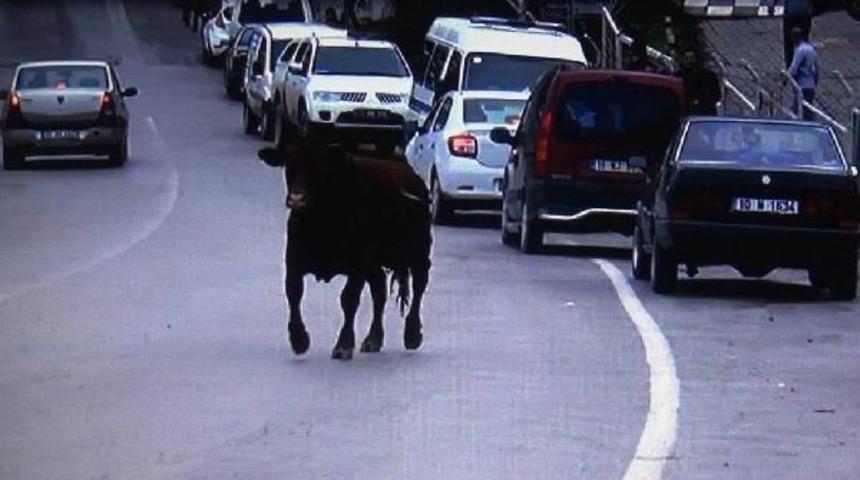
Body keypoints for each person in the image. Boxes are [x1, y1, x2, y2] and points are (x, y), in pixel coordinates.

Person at [676, 49, 722, 116]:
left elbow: (717, 94)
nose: (689, 61)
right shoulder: (677, 77)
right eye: (686, 58)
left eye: (692, 58)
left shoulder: (708, 76)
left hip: (705, 112)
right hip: (684, 112)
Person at [787, 27, 818, 120]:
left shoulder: (800, 50)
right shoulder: (811, 49)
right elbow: (816, 68)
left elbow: (794, 68)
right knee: (808, 110)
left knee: (797, 111)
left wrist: (785, 78)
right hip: (811, 84)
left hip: (801, 85)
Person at [783, 0, 813, 67]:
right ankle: (805, 62)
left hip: (790, 12)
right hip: (804, 12)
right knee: (804, 38)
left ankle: (789, 64)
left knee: (788, 40)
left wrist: (772, 5)